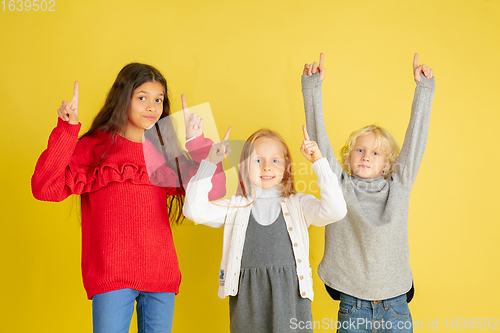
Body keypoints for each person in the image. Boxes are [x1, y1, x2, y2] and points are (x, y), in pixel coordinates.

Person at [31, 63, 225, 333]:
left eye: (158, 100)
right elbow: (44, 188)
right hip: (111, 275)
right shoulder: (95, 146)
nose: (152, 107)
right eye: (142, 97)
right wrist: (67, 129)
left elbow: (215, 189)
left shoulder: (164, 151)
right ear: (123, 98)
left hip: (161, 276)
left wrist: (197, 142)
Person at [301, 53, 435, 332]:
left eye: (375, 153)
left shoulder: (399, 184)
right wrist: (312, 87)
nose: (365, 156)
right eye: (359, 150)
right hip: (353, 303)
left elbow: (416, 142)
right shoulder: (339, 184)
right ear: (348, 156)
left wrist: (424, 89)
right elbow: (319, 142)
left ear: (388, 163)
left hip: (395, 301)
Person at [183, 127, 347, 333]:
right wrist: (209, 163)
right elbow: (194, 211)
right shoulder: (236, 207)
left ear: (287, 166)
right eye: (258, 160)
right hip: (247, 300)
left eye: (275, 160)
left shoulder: (299, 204)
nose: (267, 167)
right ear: (244, 166)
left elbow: (336, 210)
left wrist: (318, 163)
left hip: (291, 298)